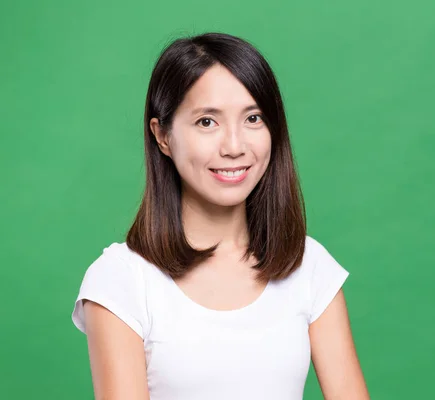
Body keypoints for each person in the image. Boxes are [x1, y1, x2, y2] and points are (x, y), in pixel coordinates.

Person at [71, 32, 369, 400]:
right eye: (207, 122)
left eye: (254, 118)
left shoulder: (309, 267)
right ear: (162, 136)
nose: (234, 147)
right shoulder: (120, 281)